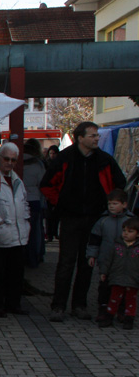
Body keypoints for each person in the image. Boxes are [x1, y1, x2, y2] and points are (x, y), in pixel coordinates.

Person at [40, 122, 126, 321]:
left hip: (95, 219)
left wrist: (110, 206)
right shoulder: (65, 158)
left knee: (87, 263)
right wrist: (60, 204)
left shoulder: (105, 160)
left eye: (97, 135)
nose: (97, 138)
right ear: (80, 138)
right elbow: (47, 184)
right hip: (70, 218)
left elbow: (119, 184)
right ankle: (58, 306)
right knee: (66, 263)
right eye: (93, 135)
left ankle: (79, 305)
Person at [0, 143, 31, 317]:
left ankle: (14, 304)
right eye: (6, 159)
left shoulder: (17, 180)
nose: (9, 163)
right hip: (0, 236)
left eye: (13, 160)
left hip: (19, 234)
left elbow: (24, 202)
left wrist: (26, 222)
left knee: (16, 273)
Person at [91, 191, 135, 325]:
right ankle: (104, 310)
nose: (111, 206)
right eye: (109, 204)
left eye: (115, 204)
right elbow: (94, 240)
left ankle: (122, 311)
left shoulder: (131, 221)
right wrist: (92, 255)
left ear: (124, 204)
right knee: (105, 287)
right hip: (107, 260)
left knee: (125, 288)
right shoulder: (103, 220)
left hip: (127, 263)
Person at [97, 217, 139, 330]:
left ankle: (129, 319)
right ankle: (109, 317)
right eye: (124, 231)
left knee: (131, 300)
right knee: (114, 298)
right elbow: (107, 260)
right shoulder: (116, 246)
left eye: (130, 231)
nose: (126, 234)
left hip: (133, 279)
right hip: (117, 276)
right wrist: (104, 272)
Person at [21, 139, 47, 268]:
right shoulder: (37, 164)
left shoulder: (15, 162)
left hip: (19, 200)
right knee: (35, 231)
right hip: (34, 200)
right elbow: (43, 183)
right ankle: (33, 258)